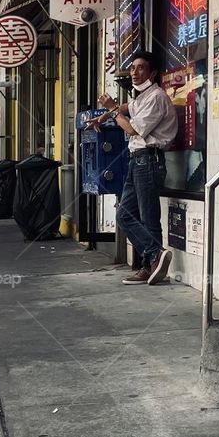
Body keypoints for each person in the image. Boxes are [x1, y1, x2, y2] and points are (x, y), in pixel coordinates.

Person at [91, 49, 178, 285]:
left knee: (148, 218)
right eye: (132, 68)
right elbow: (127, 109)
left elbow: (132, 129)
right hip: (137, 160)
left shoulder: (157, 97)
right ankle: (153, 260)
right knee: (124, 214)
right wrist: (104, 115)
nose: (135, 72)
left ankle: (152, 262)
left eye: (141, 68)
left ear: (154, 73)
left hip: (149, 160)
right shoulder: (141, 97)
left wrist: (110, 109)